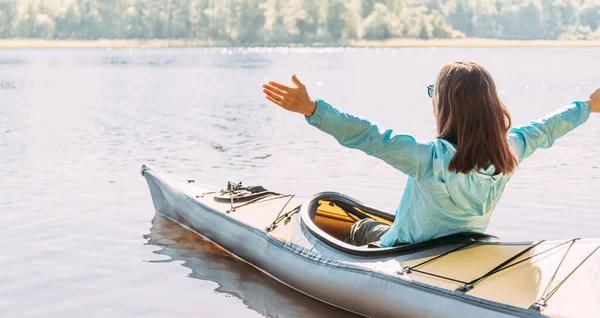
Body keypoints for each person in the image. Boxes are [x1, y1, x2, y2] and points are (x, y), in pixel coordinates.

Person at [262, 61, 600, 247]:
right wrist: (587, 106)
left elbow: (369, 136)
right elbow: (547, 128)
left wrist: (312, 109)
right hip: (462, 243)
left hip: (404, 248)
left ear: (447, 105)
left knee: (364, 229)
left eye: (433, 93)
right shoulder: (510, 151)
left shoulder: (428, 158)